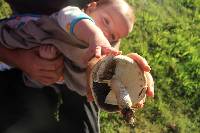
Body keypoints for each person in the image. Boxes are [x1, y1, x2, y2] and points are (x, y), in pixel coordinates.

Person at [0, 0, 154, 133]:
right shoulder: (79, 19)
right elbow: (74, 18)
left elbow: (103, 55)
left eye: (112, 36)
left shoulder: (107, 23)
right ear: (91, 7)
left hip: (65, 73)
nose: (106, 33)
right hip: (31, 43)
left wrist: (126, 72)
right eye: (106, 22)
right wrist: (19, 59)